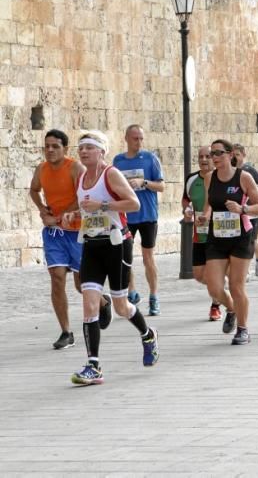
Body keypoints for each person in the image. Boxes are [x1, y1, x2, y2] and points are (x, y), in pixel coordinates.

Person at [64, 130, 159, 386]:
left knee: (121, 306)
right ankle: (93, 365)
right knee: (89, 304)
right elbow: (86, 208)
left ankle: (148, 334)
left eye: (89, 148)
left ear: (101, 151)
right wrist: (73, 215)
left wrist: (104, 207)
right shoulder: (82, 177)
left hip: (117, 245)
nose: (83, 152)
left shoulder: (111, 174)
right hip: (93, 245)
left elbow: (133, 204)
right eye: (81, 147)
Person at [29, 129, 112, 350]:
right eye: (46, 146)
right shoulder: (41, 169)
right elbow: (34, 190)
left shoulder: (75, 168)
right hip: (55, 233)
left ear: (65, 149)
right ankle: (66, 332)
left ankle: (104, 302)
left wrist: (66, 213)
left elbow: (85, 195)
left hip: (78, 231)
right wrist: (42, 210)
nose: (50, 150)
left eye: (55, 146)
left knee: (81, 283)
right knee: (56, 278)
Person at [198, 139, 258, 345]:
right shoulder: (210, 178)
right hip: (217, 237)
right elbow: (209, 203)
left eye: (218, 153)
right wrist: (205, 216)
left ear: (230, 155)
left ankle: (243, 329)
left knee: (237, 286)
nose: (214, 158)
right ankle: (231, 309)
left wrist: (242, 209)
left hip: (240, 238)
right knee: (214, 287)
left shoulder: (243, 177)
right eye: (212, 154)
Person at [113, 125, 164, 316]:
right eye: (135, 138)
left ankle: (154, 296)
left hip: (148, 215)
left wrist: (143, 183)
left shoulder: (151, 159)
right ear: (126, 138)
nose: (139, 142)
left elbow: (161, 186)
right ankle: (132, 292)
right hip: (126, 215)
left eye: (141, 138)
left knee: (147, 257)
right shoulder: (118, 161)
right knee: (125, 256)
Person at [181, 146, 222, 321]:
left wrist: (208, 215)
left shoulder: (221, 178)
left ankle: (216, 305)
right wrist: (187, 210)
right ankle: (221, 289)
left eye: (208, 156)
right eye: (200, 157)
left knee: (214, 273)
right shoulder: (191, 179)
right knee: (198, 274)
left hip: (218, 233)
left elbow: (214, 202)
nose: (204, 160)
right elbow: (186, 200)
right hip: (199, 233)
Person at [232, 144, 258, 276]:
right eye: (232, 155)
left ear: (243, 155)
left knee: (251, 242)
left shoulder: (249, 171)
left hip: (252, 212)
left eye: (237, 154)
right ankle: (245, 270)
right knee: (240, 241)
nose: (234, 157)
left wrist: (252, 193)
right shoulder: (229, 172)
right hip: (237, 213)